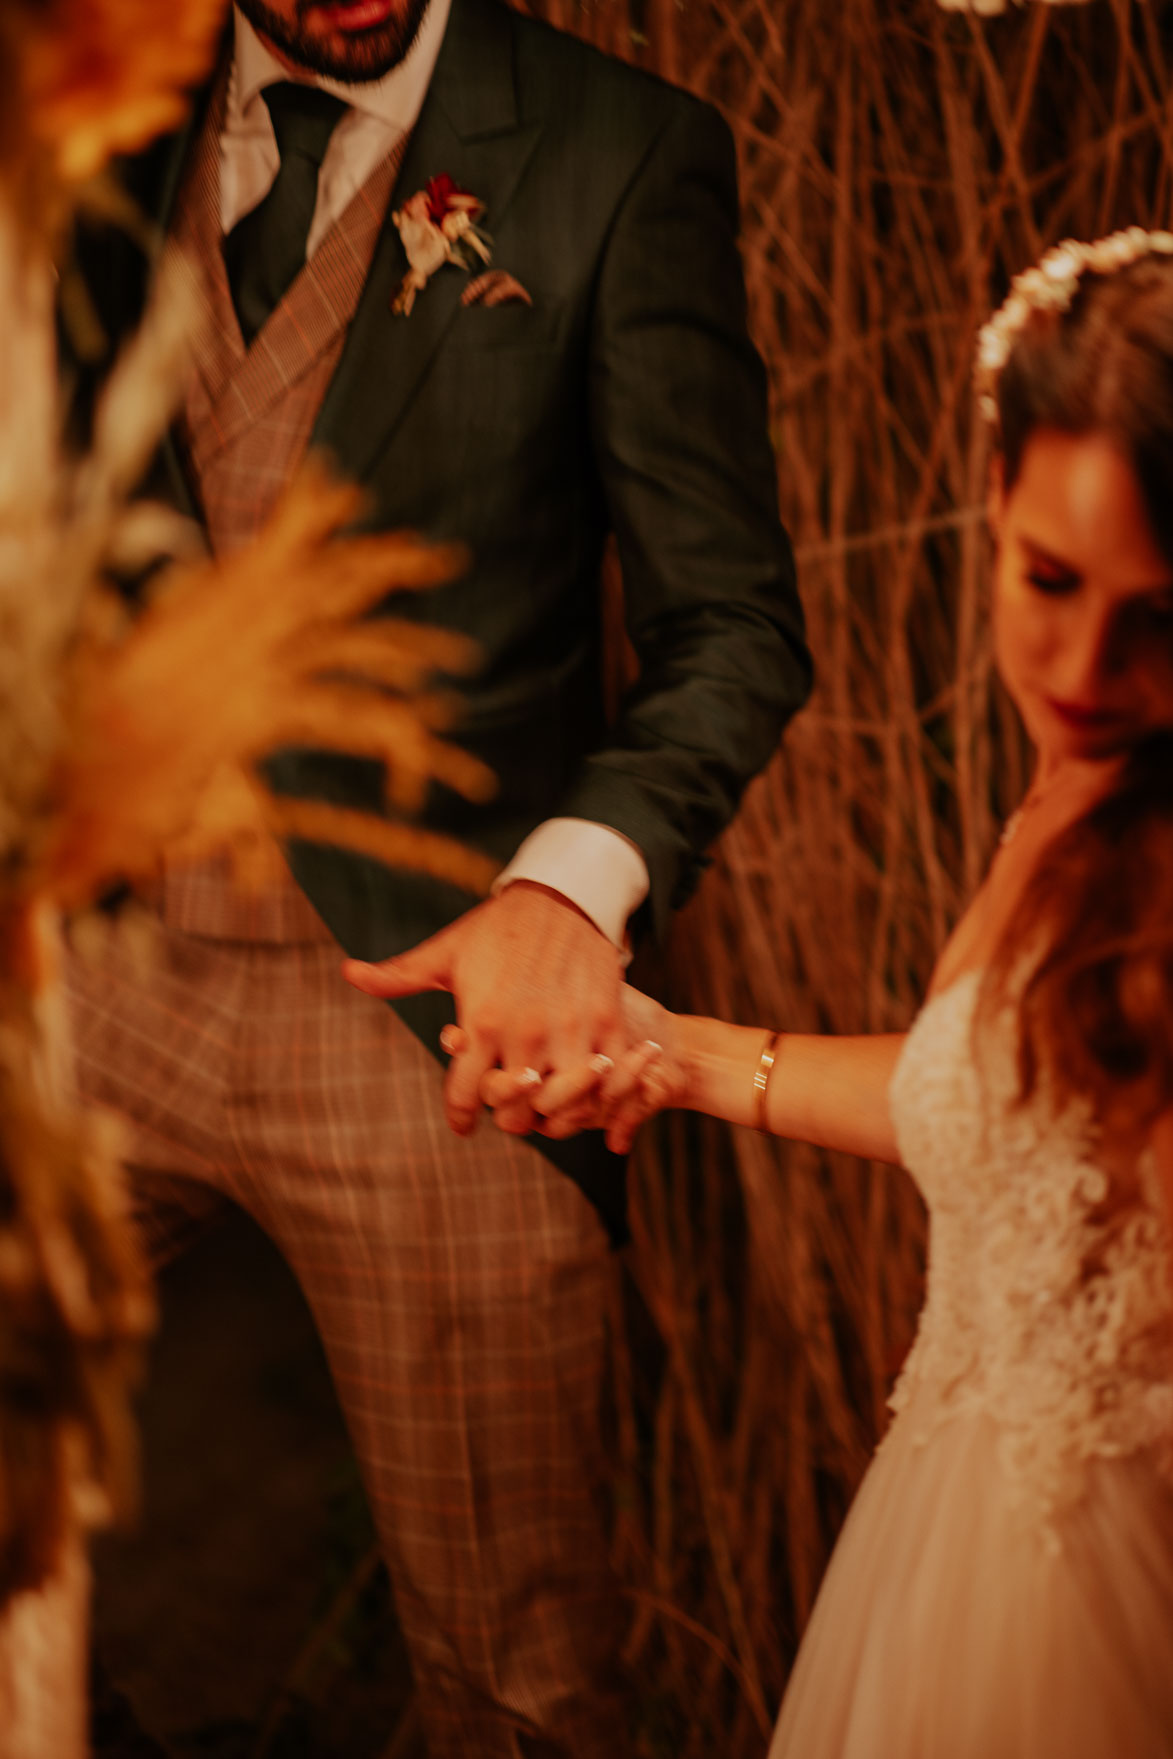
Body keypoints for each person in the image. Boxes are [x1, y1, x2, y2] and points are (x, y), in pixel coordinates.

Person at [61, 0, 810, 1753]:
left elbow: (731, 628)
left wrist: (567, 890)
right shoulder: (89, 116)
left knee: (520, 1685)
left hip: (428, 1025)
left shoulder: (619, 151)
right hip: (84, 982)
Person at [424, 230, 1173, 1755]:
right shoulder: (1093, 778)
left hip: (1089, 1581)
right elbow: (1014, 1117)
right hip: (954, 1533)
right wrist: (674, 1055)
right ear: (991, 500)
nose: (1085, 660)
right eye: (1047, 579)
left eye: (1157, 615)